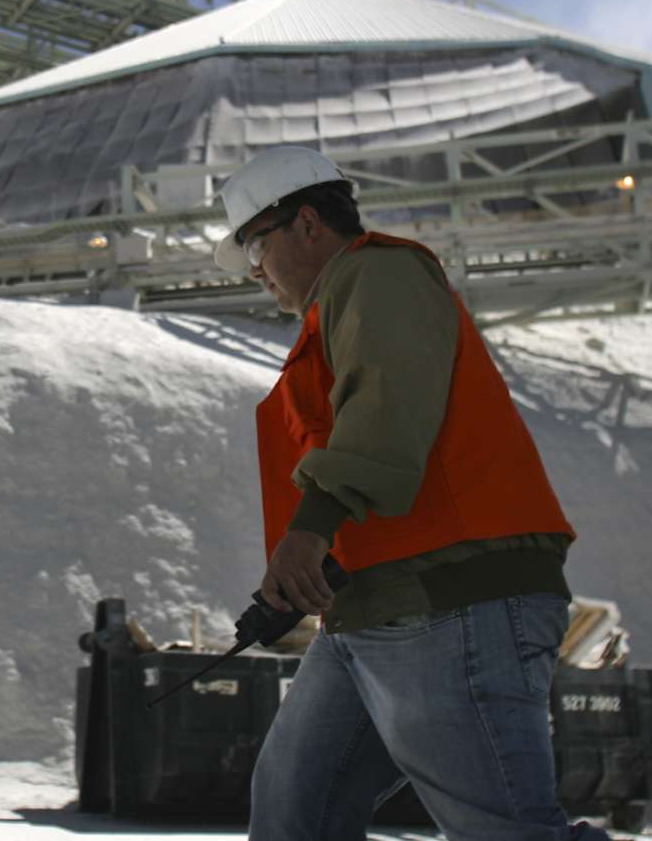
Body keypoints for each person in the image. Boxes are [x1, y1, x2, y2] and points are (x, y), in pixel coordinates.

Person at [215, 146, 606, 841]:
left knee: (504, 831)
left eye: (255, 242)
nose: (255, 268)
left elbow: (385, 410)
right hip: (374, 605)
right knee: (294, 807)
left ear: (306, 223)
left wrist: (310, 527)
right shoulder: (337, 306)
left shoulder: (380, 274)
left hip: (454, 597)